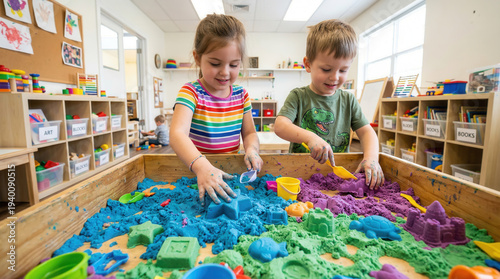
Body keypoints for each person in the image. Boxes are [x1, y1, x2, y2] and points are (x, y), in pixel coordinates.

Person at [275, 19, 384, 189]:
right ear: (308, 64)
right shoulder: (298, 96)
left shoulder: (348, 101)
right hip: (300, 176)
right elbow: (280, 126)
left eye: (343, 70)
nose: (335, 77)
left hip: (337, 180)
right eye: (326, 69)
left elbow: (367, 133)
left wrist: (371, 158)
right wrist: (311, 137)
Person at [170, 14, 263, 206]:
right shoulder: (191, 92)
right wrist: (202, 168)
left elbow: (250, 133)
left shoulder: (241, 95)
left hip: (227, 171)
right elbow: (177, 134)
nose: (225, 72)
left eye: (234, 64)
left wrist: (252, 149)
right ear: (197, 58)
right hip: (194, 172)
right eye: (215, 63)